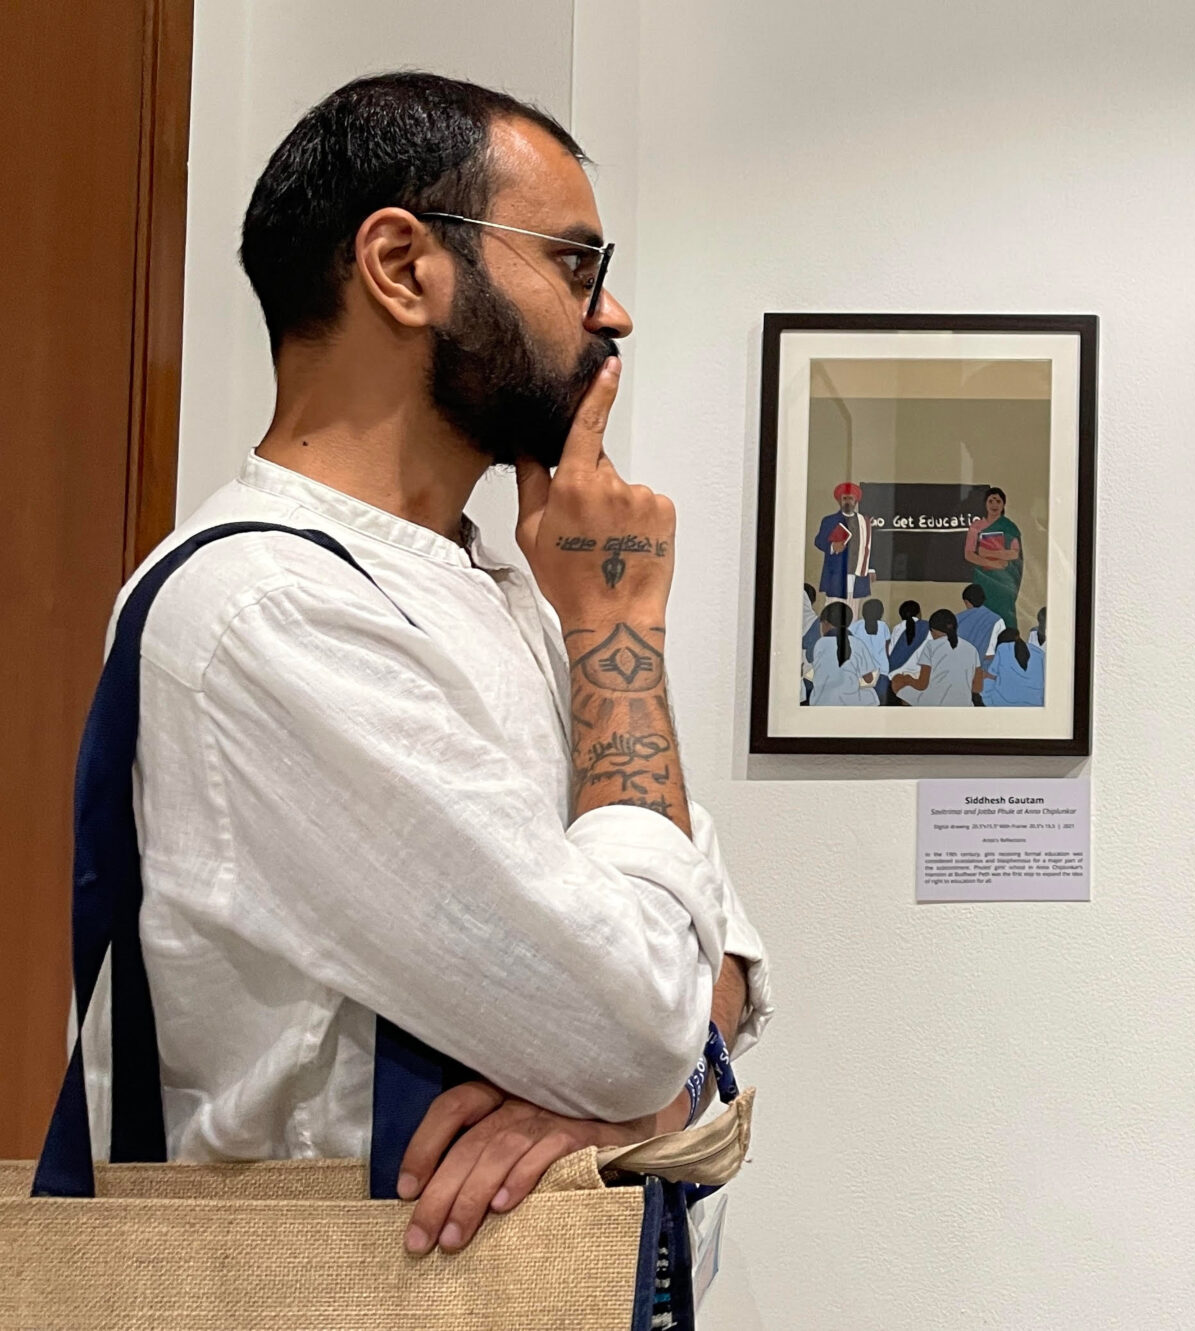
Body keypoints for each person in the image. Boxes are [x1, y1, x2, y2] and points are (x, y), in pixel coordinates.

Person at [79, 73, 772, 1259]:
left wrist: (645, 1086)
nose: (612, 317)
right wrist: (622, 627)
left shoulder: (497, 586)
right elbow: (645, 1005)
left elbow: (724, 958)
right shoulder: (265, 610)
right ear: (402, 267)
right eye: (572, 262)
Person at [891, 608, 983, 706]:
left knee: (897, 681)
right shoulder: (972, 648)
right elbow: (977, 687)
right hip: (963, 704)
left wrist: (908, 679)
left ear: (932, 630)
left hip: (935, 703)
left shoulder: (931, 646)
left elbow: (922, 685)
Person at [963, 486, 1024, 629]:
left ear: (1003, 504)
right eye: (991, 501)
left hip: (1004, 582)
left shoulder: (1009, 526)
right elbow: (969, 554)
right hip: (983, 581)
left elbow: (1014, 553)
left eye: (998, 501)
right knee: (982, 618)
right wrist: (990, 562)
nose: (994, 505)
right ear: (985, 504)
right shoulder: (976, 527)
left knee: (1004, 616)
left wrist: (988, 553)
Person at [812, 481, 874, 616]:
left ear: (856, 501)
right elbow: (819, 541)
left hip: (857, 575)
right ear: (839, 501)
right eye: (844, 498)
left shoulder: (864, 522)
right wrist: (832, 546)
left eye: (850, 498)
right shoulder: (829, 520)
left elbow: (868, 546)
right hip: (836, 575)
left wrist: (870, 569)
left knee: (853, 613)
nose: (847, 502)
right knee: (832, 613)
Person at [809, 601, 879, 705]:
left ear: (825, 623)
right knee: (871, 694)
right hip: (849, 700)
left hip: (822, 701)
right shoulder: (858, 643)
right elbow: (869, 679)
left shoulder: (819, 644)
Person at [980, 629, 1046, 707]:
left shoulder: (1002, 649)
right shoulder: (1040, 653)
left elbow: (991, 677)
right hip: (1035, 704)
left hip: (1002, 704)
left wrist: (988, 700)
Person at [850, 597, 893, 702]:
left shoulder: (855, 626)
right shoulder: (884, 627)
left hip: (861, 671)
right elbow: (887, 650)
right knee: (879, 702)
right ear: (881, 613)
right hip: (882, 670)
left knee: (861, 701)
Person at [955, 583, 1005, 664]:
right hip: (986, 668)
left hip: (960, 665)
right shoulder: (997, 620)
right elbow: (998, 651)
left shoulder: (957, 619)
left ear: (966, 602)